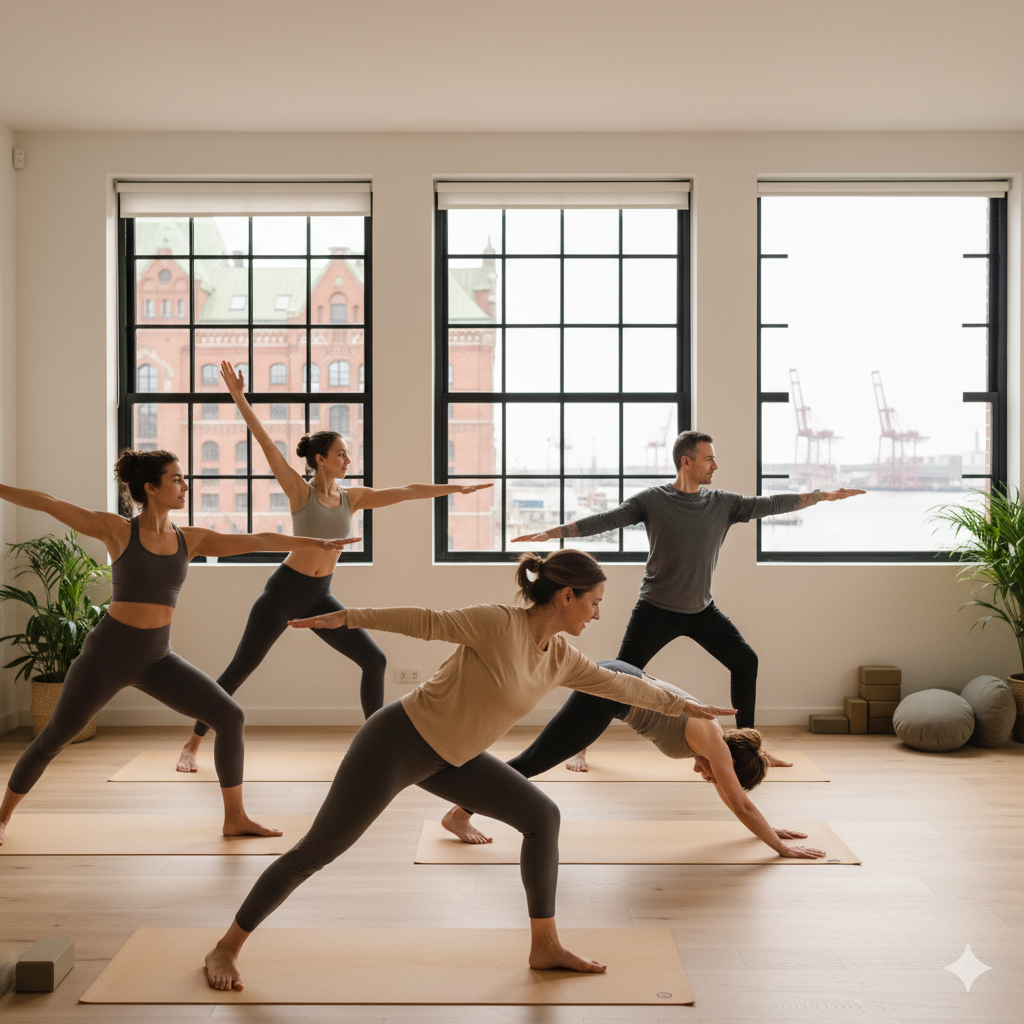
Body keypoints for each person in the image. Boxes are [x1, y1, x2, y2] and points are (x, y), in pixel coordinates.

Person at [203, 549, 738, 990]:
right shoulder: (497, 623)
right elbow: (426, 622)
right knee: (316, 851)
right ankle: (225, 947)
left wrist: (686, 706)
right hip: (396, 742)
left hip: (451, 757)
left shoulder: (562, 657)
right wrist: (349, 617)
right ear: (566, 595)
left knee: (541, 816)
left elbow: (624, 684)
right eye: (594, 602)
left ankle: (545, 945)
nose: (597, 614)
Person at [0, 449, 358, 846]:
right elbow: (50, 504)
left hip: (157, 660)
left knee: (229, 716)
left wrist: (317, 542)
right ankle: (2, 817)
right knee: (53, 738)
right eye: (176, 479)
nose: (185, 486)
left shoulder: (191, 538)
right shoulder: (118, 531)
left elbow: (256, 539)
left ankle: (235, 817)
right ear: (151, 488)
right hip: (106, 657)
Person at [175, 361, 491, 773]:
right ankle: (192, 743)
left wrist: (454, 488)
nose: (347, 460)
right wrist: (239, 397)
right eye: (341, 454)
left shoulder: (351, 498)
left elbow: (407, 491)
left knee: (373, 660)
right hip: (284, 592)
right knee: (238, 670)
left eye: (347, 454)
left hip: (320, 596)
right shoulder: (298, 491)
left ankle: (374, 745)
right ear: (321, 460)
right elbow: (266, 442)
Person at [513, 430, 865, 770]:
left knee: (745, 662)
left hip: (701, 611)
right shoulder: (652, 500)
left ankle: (752, 746)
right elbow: (608, 520)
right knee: (614, 680)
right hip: (655, 611)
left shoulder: (722, 504)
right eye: (709, 458)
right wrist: (554, 533)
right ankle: (580, 750)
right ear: (687, 461)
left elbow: (769, 504)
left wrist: (820, 497)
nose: (715, 465)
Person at [442, 659, 825, 860]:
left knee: (537, 758)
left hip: (621, 682)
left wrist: (771, 828)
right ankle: (459, 813)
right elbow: (738, 804)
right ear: (728, 761)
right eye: (712, 776)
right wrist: (779, 846)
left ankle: (462, 808)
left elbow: (734, 799)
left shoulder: (714, 741)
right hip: (614, 689)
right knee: (533, 761)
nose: (705, 776)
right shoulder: (712, 739)